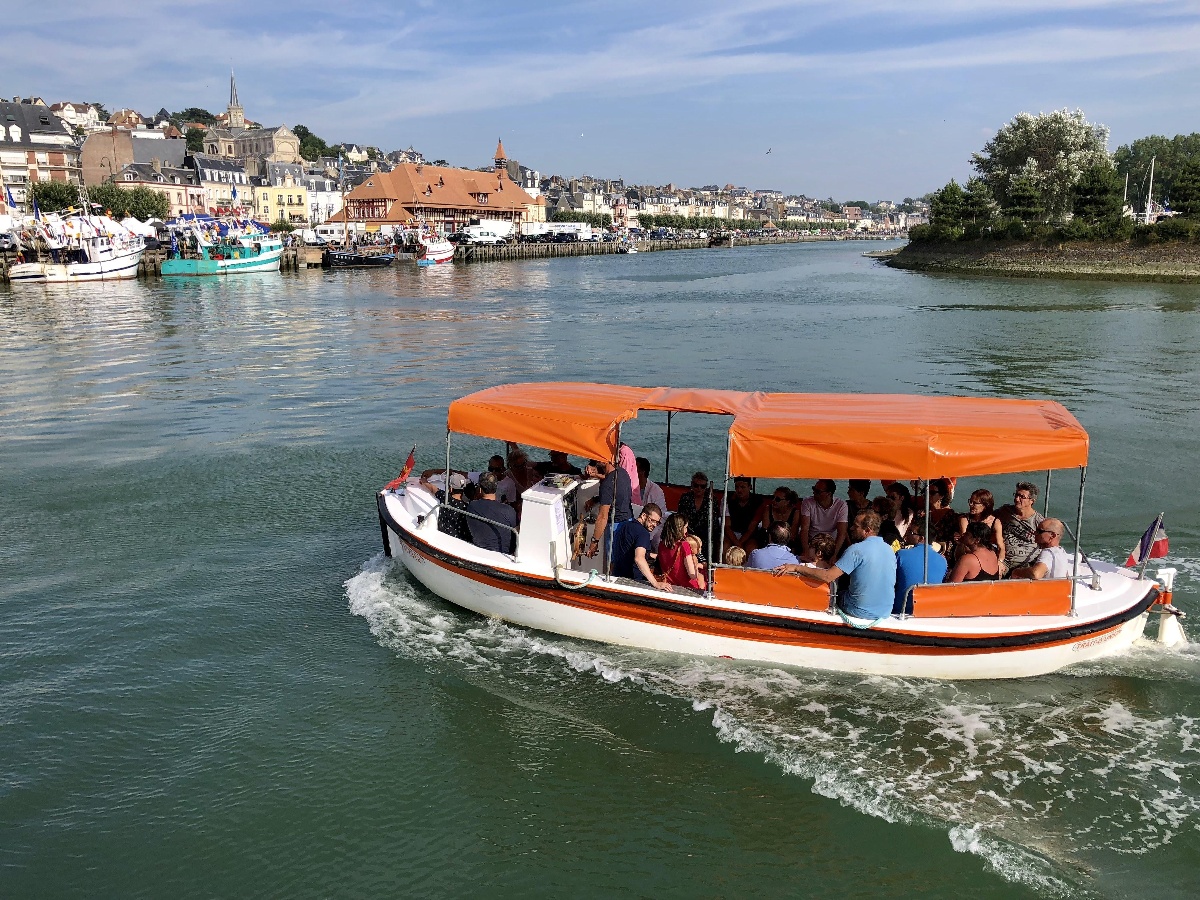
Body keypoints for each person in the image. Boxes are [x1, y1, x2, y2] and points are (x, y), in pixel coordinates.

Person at [773, 511, 896, 621]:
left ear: (867, 530)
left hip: (859, 610)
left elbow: (828, 576)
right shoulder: (889, 550)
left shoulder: (856, 550)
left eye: (856, 526)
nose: (851, 528)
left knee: (837, 593)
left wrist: (796, 567)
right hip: (885, 611)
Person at [610, 504, 671, 590]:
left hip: (616, 577)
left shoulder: (623, 526)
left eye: (657, 522)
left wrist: (654, 555)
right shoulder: (643, 533)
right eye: (652, 520)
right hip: (634, 581)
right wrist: (656, 583)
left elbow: (627, 550)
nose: (654, 525)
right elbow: (639, 558)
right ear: (643, 515)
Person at [585, 458, 634, 562]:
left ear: (602, 461)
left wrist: (594, 542)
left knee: (612, 564)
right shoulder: (622, 472)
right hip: (629, 522)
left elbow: (602, 517)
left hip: (615, 528)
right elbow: (614, 493)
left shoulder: (607, 485)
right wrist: (596, 499)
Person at [893, 530, 948, 615]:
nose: (907, 535)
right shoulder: (943, 560)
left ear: (921, 538)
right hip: (931, 611)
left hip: (901, 610)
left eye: (911, 533)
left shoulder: (901, 554)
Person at [997, 482, 1044, 574]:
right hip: (1004, 560)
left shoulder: (1039, 521)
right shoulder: (1005, 511)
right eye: (1016, 495)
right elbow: (988, 518)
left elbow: (1046, 542)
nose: (1017, 499)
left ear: (1032, 501)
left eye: (1022, 497)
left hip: (1026, 563)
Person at [466, 472, 517, 554]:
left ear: (479, 489)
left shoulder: (472, 506)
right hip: (504, 555)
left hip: (479, 552)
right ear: (496, 488)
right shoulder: (509, 510)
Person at [799, 479, 849, 562]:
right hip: (812, 541)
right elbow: (804, 529)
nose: (814, 492)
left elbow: (842, 533)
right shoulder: (807, 502)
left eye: (817, 491)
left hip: (831, 543)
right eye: (813, 489)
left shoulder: (841, 505)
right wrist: (806, 550)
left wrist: (834, 554)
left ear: (829, 493)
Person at [417, 471, 472, 542]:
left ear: (450, 488)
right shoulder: (467, 506)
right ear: (463, 489)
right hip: (460, 539)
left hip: (444, 535)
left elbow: (433, 489)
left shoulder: (445, 498)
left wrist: (424, 481)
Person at [656, 513, 706, 590]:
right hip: (687, 587)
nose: (686, 531)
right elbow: (692, 575)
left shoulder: (661, 544)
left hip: (670, 586)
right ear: (679, 529)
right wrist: (696, 565)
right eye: (685, 528)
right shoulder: (684, 545)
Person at [957, 489, 1004, 559]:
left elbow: (1001, 546)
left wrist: (1000, 561)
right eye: (970, 501)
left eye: (974, 503)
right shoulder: (965, 519)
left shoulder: (995, 522)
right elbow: (965, 543)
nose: (970, 505)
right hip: (969, 554)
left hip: (988, 554)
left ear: (985, 505)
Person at [676, 471, 714, 557]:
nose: (699, 488)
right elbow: (680, 518)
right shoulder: (685, 498)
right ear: (692, 485)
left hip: (705, 534)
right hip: (687, 531)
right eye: (696, 485)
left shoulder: (711, 500)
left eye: (702, 486)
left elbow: (713, 522)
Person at [751, 485, 800, 550]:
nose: (773, 501)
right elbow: (765, 531)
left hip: (787, 542)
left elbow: (792, 535)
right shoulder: (768, 509)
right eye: (773, 497)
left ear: (787, 501)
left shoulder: (795, 513)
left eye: (777, 499)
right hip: (769, 540)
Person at [723, 477, 764, 555]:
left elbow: (751, 528)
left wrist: (739, 544)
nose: (739, 490)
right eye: (737, 487)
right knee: (725, 546)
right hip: (732, 533)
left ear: (750, 487)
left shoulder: (758, 502)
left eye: (742, 487)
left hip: (749, 535)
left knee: (751, 548)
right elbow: (727, 526)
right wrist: (737, 544)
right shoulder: (727, 500)